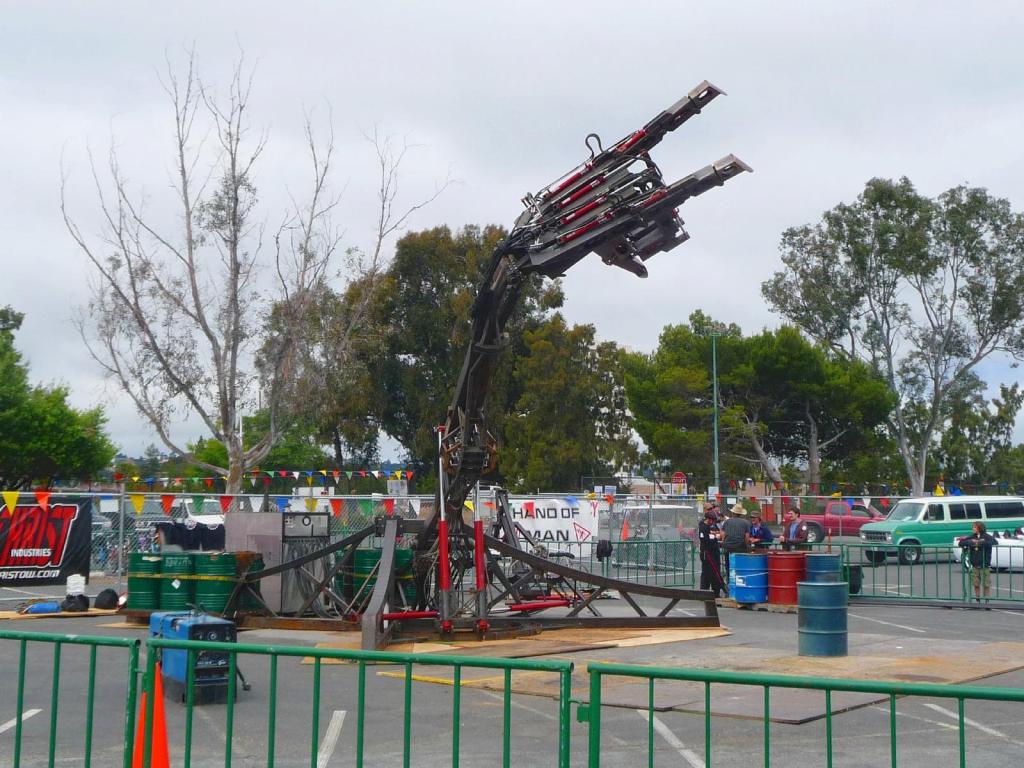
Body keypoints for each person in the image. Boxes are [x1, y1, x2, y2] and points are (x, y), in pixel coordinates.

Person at [959, 522, 997, 606]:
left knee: (986, 583)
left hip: (984, 564)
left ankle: (987, 600)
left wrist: (980, 542)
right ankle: (977, 599)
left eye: (975, 527)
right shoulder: (972, 536)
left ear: (979, 528)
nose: (973, 529)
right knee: (976, 583)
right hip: (975, 564)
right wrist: (971, 542)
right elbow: (961, 543)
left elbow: (994, 541)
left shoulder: (986, 536)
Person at [698, 506, 726, 597]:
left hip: (714, 552)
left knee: (715, 572)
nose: (714, 523)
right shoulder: (703, 527)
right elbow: (704, 540)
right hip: (707, 554)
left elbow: (717, 533)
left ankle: (716, 592)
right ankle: (705, 593)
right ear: (709, 519)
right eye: (713, 520)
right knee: (707, 574)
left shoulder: (712, 527)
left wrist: (716, 536)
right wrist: (715, 538)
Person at [721, 503, 751, 583]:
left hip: (728, 547)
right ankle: (740, 582)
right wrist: (747, 545)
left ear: (732, 513)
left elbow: (723, 535)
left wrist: (724, 542)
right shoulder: (746, 523)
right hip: (740, 547)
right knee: (740, 567)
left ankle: (729, 582)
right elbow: (746, 537)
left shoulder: (727, 522)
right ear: (741, 514)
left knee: (729, 566)